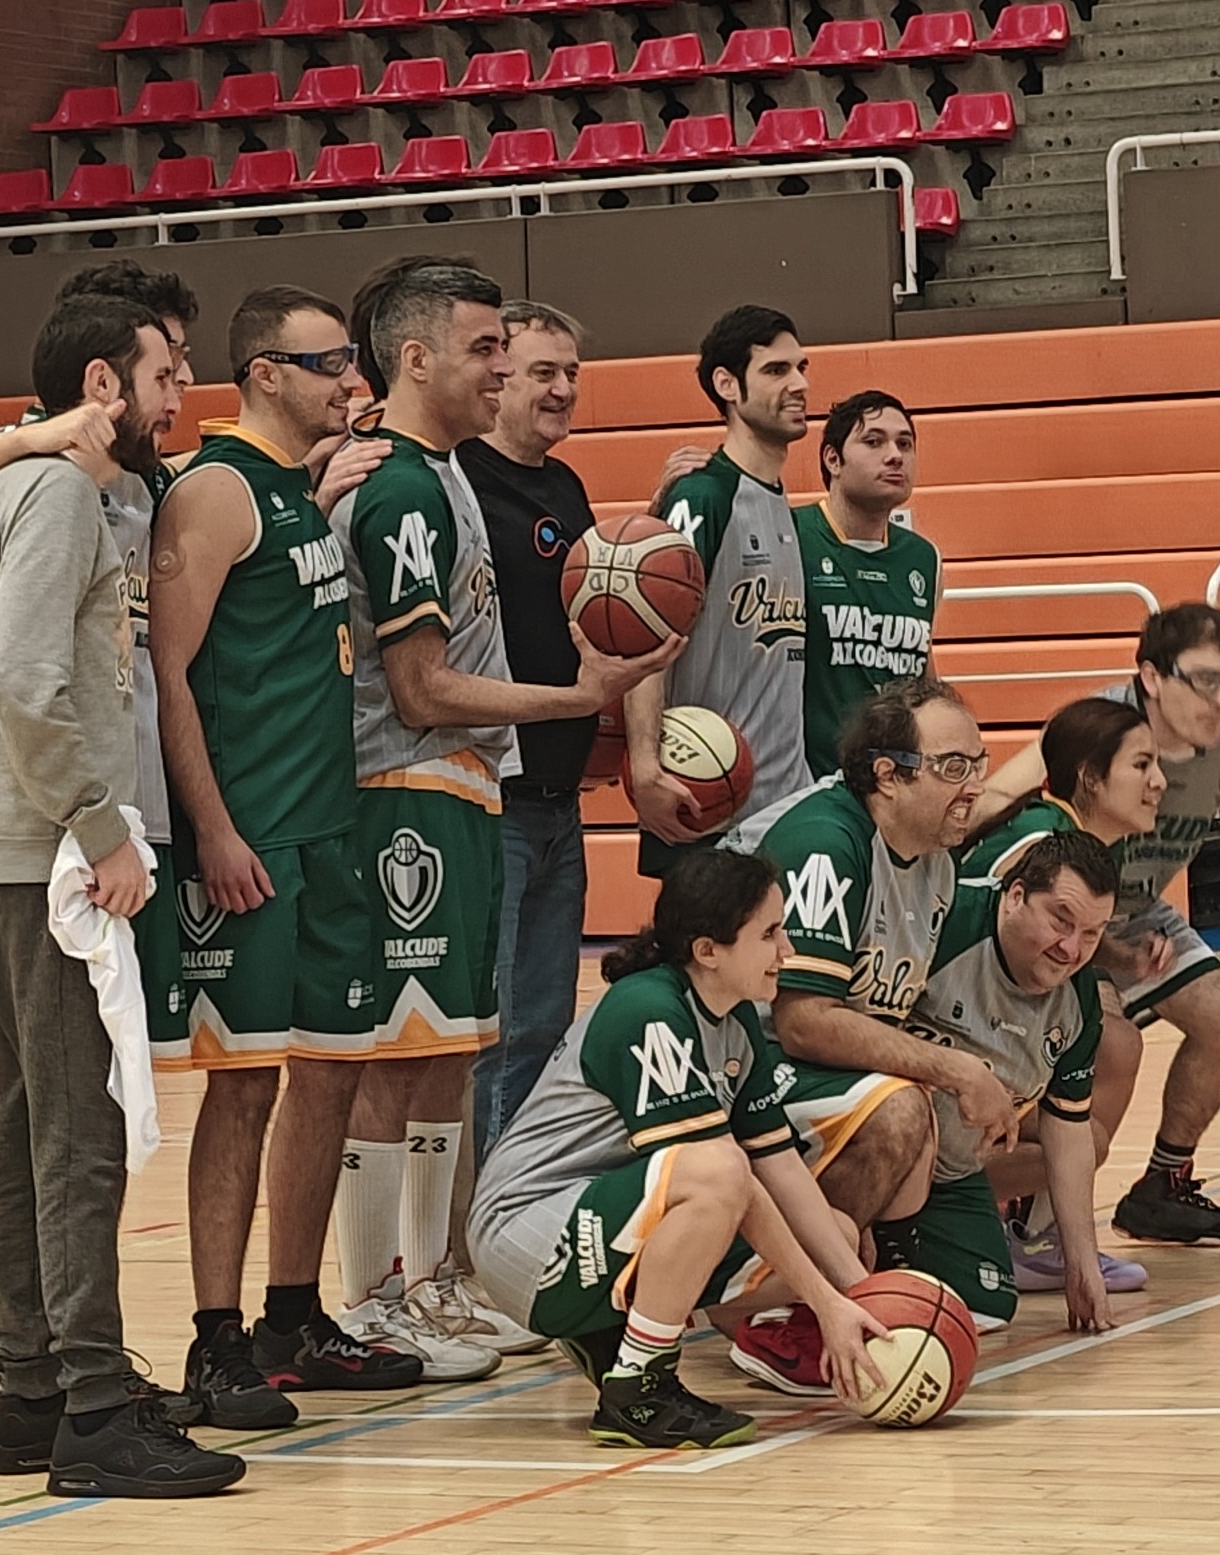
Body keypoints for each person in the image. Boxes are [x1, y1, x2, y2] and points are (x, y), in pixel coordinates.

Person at [0, 294, 242, 1498]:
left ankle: (28, 1389)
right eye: (163, 374)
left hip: (6, 846)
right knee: (78, 1134)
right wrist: (96, 829)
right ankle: (93, 1404)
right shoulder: (62, 499)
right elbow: (27, 686)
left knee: (26, 1123)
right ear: (101, 385)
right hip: (54, 852)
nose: (178, 396)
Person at [327, 260, 677, 1379]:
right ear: (419, 358)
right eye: (489, 350)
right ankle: (380, 1289)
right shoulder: (405, 487)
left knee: (455, 1048)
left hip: (475, 789)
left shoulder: (444, 484)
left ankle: (433, 1276)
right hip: (406, 801)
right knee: (404, 1053)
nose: (505, 369)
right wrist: (577, 698)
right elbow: (421, 690)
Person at [147, 283, 434, 1425]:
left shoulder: (288, 488)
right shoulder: (212, 490)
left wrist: (315, 492)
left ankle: (290, 1312)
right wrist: (210, 829)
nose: (350, 382)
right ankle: (215, 1340)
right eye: (329, 364)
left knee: (331, 1070)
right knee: (241, 1091)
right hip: (249, 841)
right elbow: (167, 672)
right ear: (264, 371)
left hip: (328, 831)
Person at [467, 849, 890, 1447]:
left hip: (599, 1214)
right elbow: (730, 1183)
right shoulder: (649, 1012)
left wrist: (861, 1294)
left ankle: (607, 1335)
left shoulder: (735, 1020)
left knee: (836, 1235)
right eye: (769, 933)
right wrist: (824, 1304)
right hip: (527, 1235)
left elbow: (781, 1167)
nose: (787, 951)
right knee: (716, 1170)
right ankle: (637, 1388)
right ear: (708, 950)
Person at [977, 603, 1220, 1247]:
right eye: (1205, 680)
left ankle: (1162, 1189)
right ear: (1151, 677)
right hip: (1068, 915)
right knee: (1111, 1045)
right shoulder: (1098, 729)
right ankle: (1029, 1218)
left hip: (1137, 911)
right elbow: (997, 803)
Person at [716, 675, 991, 1387]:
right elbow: (803, 1022)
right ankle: (784, 1314)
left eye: (977, 763)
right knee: (902, 1103)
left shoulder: (936, 856)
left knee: (925, 1106)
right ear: (887, 777)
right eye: (951, 766)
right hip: (721, 1068)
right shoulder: (824, 842)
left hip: (781, 1075)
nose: (972, 784)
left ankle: (881, 1284)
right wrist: (956, 1068)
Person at [958, 696, 1169, 1292]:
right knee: (1104, 1070)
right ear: (1090, 778)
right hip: (956, 1044)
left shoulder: (1076, 834)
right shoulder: (1038, 842)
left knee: (1113, 1043)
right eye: (1141, 764)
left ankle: (1034, 1227)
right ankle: (1019, 1226)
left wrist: (1122, 955)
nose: (1159, 782)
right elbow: (991, 942)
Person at [458, 301, 601, 1166]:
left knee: (544, 1022)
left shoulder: (567, 486)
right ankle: (471, 1225)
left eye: (572, 374)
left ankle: (512, 1206)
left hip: (560, 796)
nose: (562, 390)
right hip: (488, 797)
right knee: (491, 1024)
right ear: (495, 374)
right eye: (543, 372)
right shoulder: (457, 479)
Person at [903, 831, 1135, 1334]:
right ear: (1014, 897)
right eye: (1060, 920)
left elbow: (1067, 1127)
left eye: (1091, 934)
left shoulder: (1079, 999)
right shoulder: (944, 923)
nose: (1071, 949)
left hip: (955, 1174)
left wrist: (1083, 1264)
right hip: (880, 1149)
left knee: (985, 1310)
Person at [627, 305, 812, 876]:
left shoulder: (784, 504)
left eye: (801, 368)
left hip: (786, 802)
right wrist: (643, 764)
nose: (801, 384)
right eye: (777, 371)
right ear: (727, 385)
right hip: (710, 800)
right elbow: (646, 635)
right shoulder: (703, 496)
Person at [796, 391, 942, 779]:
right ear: (833, 459)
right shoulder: (790, 535)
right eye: (873, 441)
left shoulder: (925, 558)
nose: (895, 455)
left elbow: (923, 669)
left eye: (905, 443)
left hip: (897, 788)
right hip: (810, 785)